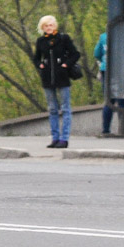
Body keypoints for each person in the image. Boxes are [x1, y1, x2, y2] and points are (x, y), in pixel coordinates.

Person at [33, 15, 80, 149]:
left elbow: (75, 54)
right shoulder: (41, 41)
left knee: (65, 108)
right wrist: (40, 65)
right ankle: (55, 138)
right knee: (52, 109)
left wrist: (66, 65)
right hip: (47, 77)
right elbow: (36, 57)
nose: (49, 28)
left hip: (62, 77)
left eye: (51, 25)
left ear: (55, 26)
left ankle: (64, 138)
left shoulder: (63, 39)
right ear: (43, 28)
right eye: (46, 26)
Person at [93, 31, 124, 136]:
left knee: (109, 101)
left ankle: (105, 129)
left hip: (106, 69)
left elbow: (96, 53)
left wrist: (104, 61)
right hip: (121, 69)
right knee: (122, 99)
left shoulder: (103, 36)